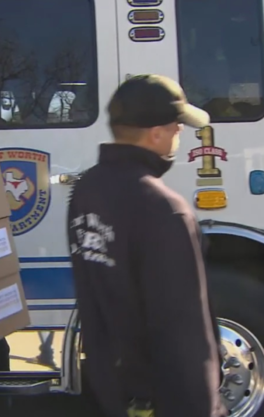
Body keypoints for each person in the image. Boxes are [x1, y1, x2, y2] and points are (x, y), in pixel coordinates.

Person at [66, 75, 227, 417]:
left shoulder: (86, 190)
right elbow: (183, 329)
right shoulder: (164, 208)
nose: (180, 134)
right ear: (156, 133)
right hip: (162, 401)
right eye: (177, 127)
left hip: (109, 390)